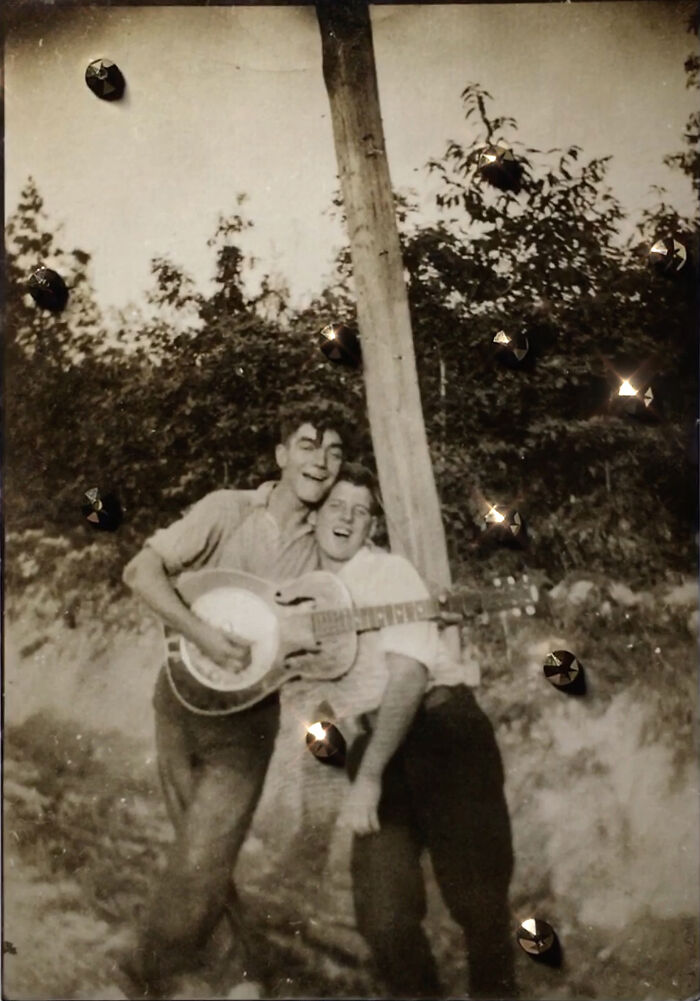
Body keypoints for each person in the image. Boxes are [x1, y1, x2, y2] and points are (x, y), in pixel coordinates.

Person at [119, 403, 347, 998]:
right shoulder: (225, 510)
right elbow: (140, 572)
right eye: (307, 445)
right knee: (200, 851)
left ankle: (146, 973)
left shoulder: (330, 545)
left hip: (249, 722)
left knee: (204, 850)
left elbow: (339, 621)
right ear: (279, 455)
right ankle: (242, 973)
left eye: (335, 452)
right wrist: (203, 635)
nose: (320, 462)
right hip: (178, 697)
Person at [311, 463, 517, 1000]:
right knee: (382, 915)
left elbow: (408, 679)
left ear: (371, 528)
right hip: (377, 743)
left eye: (361, 513)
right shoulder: (306, 589)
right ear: (316, 514)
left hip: (441, 734)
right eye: (337, 507)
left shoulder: (388, 576)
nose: (347, 520)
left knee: (480, 908)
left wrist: (369, 777)